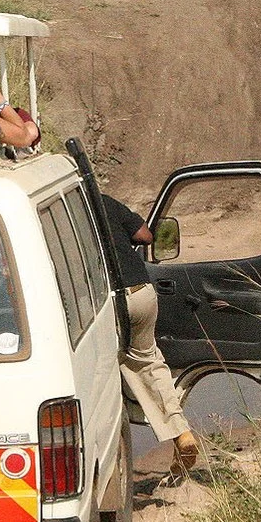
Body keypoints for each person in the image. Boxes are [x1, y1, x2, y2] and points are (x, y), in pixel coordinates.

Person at [95, 189, 201, 474]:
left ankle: (114, 457)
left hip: (111, 301)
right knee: (149, 361)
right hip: (143, 292)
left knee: (107, 374)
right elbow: (145, 236)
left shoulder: (70, 209)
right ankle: (181, 434)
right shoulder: (105, 200)